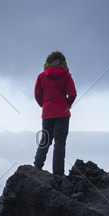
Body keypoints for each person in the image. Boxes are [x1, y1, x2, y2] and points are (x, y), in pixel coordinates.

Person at [33, 51, 77, 179]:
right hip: (62, 113)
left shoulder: (42, 76)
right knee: (60, 142)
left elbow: (37, 94)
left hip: (47, 113)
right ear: (63, 62)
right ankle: (58, 173)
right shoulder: (66, 76)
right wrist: (66, 105)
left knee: (45, 140)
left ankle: (37, 166)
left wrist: (44, 105)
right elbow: (73, 94)